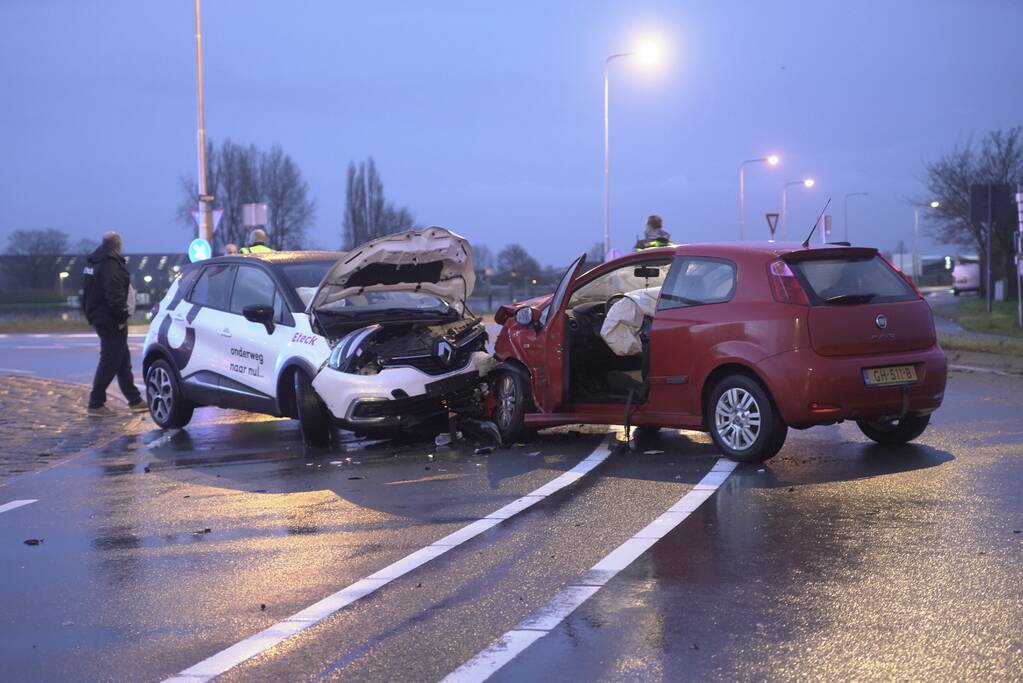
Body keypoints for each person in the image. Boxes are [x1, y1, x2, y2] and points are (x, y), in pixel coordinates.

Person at [81, 231, 146, 417]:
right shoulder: (111, 264)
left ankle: (134, 400)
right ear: (118, 245)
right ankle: (96, 403)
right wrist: (121, 317)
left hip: (99, 315)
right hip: (110, 319)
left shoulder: (94, 261)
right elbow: (114, 293)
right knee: (111, 360)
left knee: (121, 358)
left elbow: (87, 291)